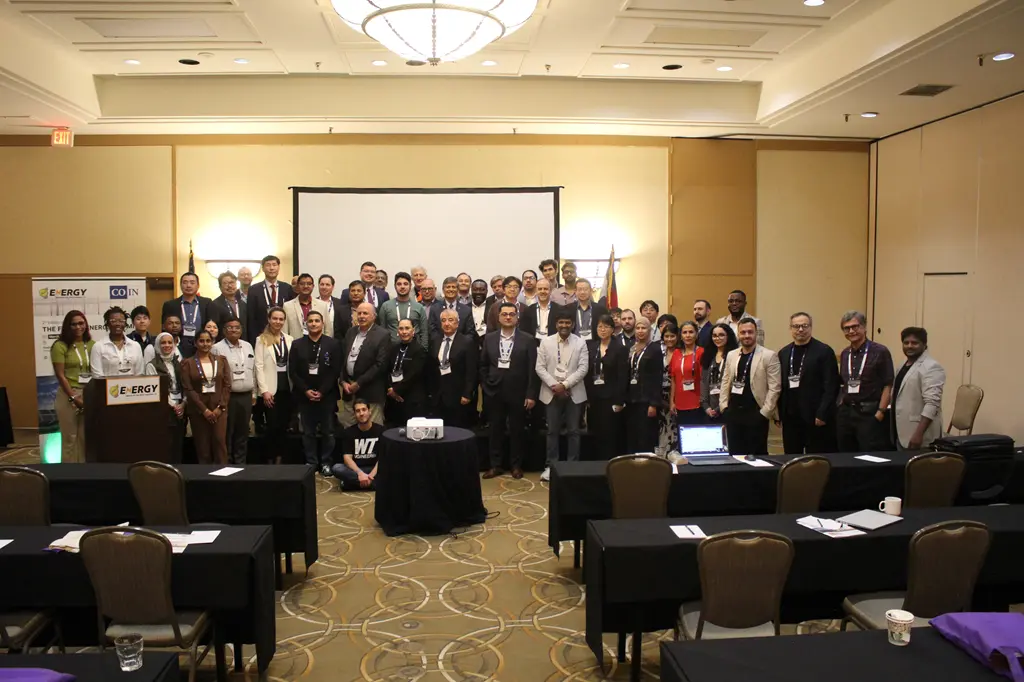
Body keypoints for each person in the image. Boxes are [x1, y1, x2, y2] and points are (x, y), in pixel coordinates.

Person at [480, 302, 539, 479]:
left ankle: (516, 465)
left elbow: (532, 369)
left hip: (518, 392)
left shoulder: (528, 339)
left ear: (517, 318)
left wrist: (531, 394)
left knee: (517, 431)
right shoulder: (489, 338)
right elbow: (483, 365)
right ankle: (495, 465)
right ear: (498, 317)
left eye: (511, 314)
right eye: (504, 314)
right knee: (495, 430)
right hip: (494, 392)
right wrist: (487, 385)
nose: (508, 317)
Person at [536, 309, 589, 481]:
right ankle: (551, 467)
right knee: (552, 431)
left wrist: (564, 385)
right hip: (551, 393)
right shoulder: (546, 342)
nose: (564, 325)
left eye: (567, 322)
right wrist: (555, 386)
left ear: (572, 325)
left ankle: (573, 466)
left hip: (574, 393)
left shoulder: (580, 343)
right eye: (561, 322)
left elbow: (583, 368)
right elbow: (539, 367)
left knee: (574, 431)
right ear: (556, 324)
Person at [778, 313, 839, 454]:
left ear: (811, 327)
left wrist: (823, 413)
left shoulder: (824, 351)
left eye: (804, 326)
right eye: (796, 326)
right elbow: (780, 386)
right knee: (792, 456)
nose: (800, 329)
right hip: (791, 416)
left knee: (815, 457)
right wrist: (779, 414)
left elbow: (831, 385)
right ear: (790, 328)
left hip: (815, 416)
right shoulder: (784, 353)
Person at [289, 311, 342, 476]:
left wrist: (322, 391)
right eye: (310, 321)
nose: (313, 324)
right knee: (308, 432)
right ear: (306, 324)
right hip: (304, 396)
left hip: (327, 395)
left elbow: (335, 370)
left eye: (317, 321)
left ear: (323, 323)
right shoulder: (297, 344)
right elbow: (293, 372)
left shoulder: (333, 344)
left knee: (328, 432)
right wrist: (306, 390)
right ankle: (311, 462)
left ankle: (326, 462)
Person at [719, 318, 781, 456]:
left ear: (756, 333)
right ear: (738, 334)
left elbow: (775, 388)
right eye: (743, 332)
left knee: (757, 456)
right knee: (735, 455)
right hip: (733, 412)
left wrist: (764, 413)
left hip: (756, 413)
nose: (746, 335)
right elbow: (725, 381)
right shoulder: (731, 355)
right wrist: (724, 407)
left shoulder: (768, 355)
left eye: (750, 332)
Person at [837, 311, 894, 452]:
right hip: (847, 413)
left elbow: (888, 384)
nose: (851, 331)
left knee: (868, 455)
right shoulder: (845, 354)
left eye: (855, 327)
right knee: (846, 455)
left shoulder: (880, 351)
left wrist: (880, 412)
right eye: (847, 328)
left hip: (870, 413)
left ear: (864, 327)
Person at [889, 327, 945, 450]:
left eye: (914, 343)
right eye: (906, 343)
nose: (909, 346)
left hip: (919, 437)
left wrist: (918, 434)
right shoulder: (902, 365)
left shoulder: (931, 367)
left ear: (924, 345)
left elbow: (932, 404)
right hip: (901, 433)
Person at [181, 329, 231, 465]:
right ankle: (205, 476)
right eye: (201, 341)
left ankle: (223, 473)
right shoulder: (187, 363)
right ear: (195, 343)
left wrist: (221, 407)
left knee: (220, 443)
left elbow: (227, 385)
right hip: (199, 411)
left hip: (219, 409)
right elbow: (188, 389)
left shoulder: (221, 360)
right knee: (203, 447)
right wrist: (204, 410)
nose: (205, 344)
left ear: (212, 342)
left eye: (208, 341)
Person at [51, 310, 94, 463]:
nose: (78, 327)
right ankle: (68, 473)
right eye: (73, 324)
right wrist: (73, 397)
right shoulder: (60, 346)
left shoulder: (92, 345)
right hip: (68, 395)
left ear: (86, 325)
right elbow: (60, 375)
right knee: (70, 438)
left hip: (87, 394)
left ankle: (83, 472)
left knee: (84, 438)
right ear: (67, 326)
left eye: (81, 323)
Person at [340, 302, 392, 427]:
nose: (362, 316)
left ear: (374, 316)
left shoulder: (383, 335)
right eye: (359, 313)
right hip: (349, 390)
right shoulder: (350, 332)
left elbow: (380, 365)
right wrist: (343, 381)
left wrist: (359, 383)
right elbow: (343, 359)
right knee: (349, 429)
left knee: (372, 429)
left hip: (370, 391)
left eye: (365, 313)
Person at [585, 314, 628, 460]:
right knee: (595, 431)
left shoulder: (620, 348)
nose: (602, 330)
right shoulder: (591, 346)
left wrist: (619, 400)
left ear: (612, 329)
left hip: (611, 397)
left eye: (606, 327)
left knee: (609, 432)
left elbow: (622, 376)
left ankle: (609, 463)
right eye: (600, 327)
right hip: (594, 396)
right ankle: (596, 463)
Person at [213, 319, 256, 465]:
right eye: (230, 327)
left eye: (237, 327)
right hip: (228, 397)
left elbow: (253, 371)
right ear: (224, 330)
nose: (234, 330)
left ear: (241, 330)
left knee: (243, 432)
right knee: (227, 432)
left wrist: (254, 393)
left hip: (246, 396)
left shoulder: (248, 346)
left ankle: (240, 464)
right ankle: (228, 464)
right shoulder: (217, 348)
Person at [254, 306, 293, 464]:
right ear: (269, 320)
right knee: (272, 426)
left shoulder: (289, 339)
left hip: (287, 388)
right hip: (270, 390)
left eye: (281, 319)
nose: (278, 322)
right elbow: (258, 366)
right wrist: (264, 391)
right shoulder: (261, 339)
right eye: (275, 318)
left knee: (284, 426)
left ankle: (280, 459)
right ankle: (269, 459)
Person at [427, 309, 478, 428]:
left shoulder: (467, 342)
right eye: (443, 320)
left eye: (450, 320)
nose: (447, 323)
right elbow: (430, 368)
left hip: (458, 394)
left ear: (457, 323)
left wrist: (467, 393)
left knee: (456, 430)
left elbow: (472, 371)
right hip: (438, 395)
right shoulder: (435, 340)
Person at [145, 332, 186, 463]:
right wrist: (174, 406)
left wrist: (183, 404)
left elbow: (186, 386)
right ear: (158, 345)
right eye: (163, 343)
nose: (167, 345)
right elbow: (155, 390)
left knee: (179, 444)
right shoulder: (152, 365)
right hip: (163, 410)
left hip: (181, 409)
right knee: (165, 445)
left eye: (170, 342)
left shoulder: (180, 363)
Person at [624, 317, 662, 454]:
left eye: (644, 328)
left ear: (649, 330)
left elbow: (657, 377)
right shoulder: (632, 348)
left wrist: (653, 403)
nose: (640, 331)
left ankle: (646, 464)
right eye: (638, 328)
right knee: (632, 435)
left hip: (647, 400)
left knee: (645, 436)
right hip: (632, 400)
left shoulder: (655, 349)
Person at [331, 398, 384, 490]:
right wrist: (360, 473)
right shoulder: (348, 432)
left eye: (364, 409)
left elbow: (382, 458)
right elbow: (347, 458)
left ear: (369, 411)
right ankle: (373, 484)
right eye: (358, 411)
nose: (361, 413)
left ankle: (352, 484)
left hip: (374, 468)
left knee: (392, 467)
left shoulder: (381, 430)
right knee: (337, 468)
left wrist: (371, 475)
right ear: (355, 414)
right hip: (356, 469)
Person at [161, 272, 217, 357]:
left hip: (202, 345)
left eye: (192, 282)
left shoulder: (207, 303)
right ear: (180, 285)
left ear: (198, 285)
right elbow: (164, 328)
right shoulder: (170, 305)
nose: (188, 285)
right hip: (178, 345)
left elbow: (212, 325)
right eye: (185, 282)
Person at [385, 319, 427, 426]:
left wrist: (396, 390)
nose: (404, 332)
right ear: (397, 331)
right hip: (393, 399)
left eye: (407, 328)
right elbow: (387, 370)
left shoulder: (419, 350)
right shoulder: (393, 349)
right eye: (401, 329)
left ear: (413, 331)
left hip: (412, 399)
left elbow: (414, 374)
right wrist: (390, 388)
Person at [247, 255, 294, 344]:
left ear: (278, 267)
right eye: (268, 265)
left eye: (274, 265)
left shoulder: (287, 288)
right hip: (262, 336)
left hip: (283, 336)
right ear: (263, 268)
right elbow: (251, 318)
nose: (271, 268)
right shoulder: (254, 290)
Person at [378, 272, 429, 349]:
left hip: (414, 350)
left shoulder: (419, 307)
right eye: (399, 284)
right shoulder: (386, 306)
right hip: (391, 350)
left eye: (405, 284)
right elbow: (382, 331)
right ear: (395, 286)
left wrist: (424, 351)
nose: (402, 287)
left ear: (410, 286)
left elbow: (424, 332)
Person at [90, 307, 144, 377]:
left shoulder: (135, 346)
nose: (117, 324)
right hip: (107, 384)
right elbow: (97, 376)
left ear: (125, 323)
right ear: (107, 324)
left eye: (121, 321)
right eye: (113, 321)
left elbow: (139, 374)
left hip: (132, 384)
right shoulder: (98, 346)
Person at [700, 323, 738, 424]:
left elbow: (733, 384)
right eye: (714, 336)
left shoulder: (734, 356)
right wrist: (706, 406)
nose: (717, 338)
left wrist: (719, 408)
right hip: (709, 409)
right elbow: (703, 381)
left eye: (721, 335)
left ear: (728, 336)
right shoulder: (708, 355)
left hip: (728, 407)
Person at [670, 320, 705, 428]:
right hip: (679, 402)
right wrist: (672, 401)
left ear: (696, 334)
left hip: (696, 402)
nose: (688, 335)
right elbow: (674, 379)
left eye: (691, 332)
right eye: (685, 332)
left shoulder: (701, 352)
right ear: (680, 336)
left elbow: (704, 379)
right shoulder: (676, 353)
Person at [283, 273, 331, 339]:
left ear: (313, 286)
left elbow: (328, 330)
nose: (305, 286)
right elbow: (284, 332)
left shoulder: (322, 305)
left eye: (309, 284)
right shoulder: (287, 306)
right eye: (302, 284)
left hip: (319, 343)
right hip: (295, 343)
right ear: (297, 286)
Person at [212, 271, 247, 341]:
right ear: (220, 287)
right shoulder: (215, 304)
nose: (230, 286)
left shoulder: (243, 304)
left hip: (242, 342)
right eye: (225, 283)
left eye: (232, 282)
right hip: (223, 342)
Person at [469, 279, 490, 347]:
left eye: (482, 289)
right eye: (475, 289)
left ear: (487, 291)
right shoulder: (465, 308)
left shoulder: (493, 307)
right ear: (471, 291)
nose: (478, 292)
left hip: (488, 345)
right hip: (470, 346)